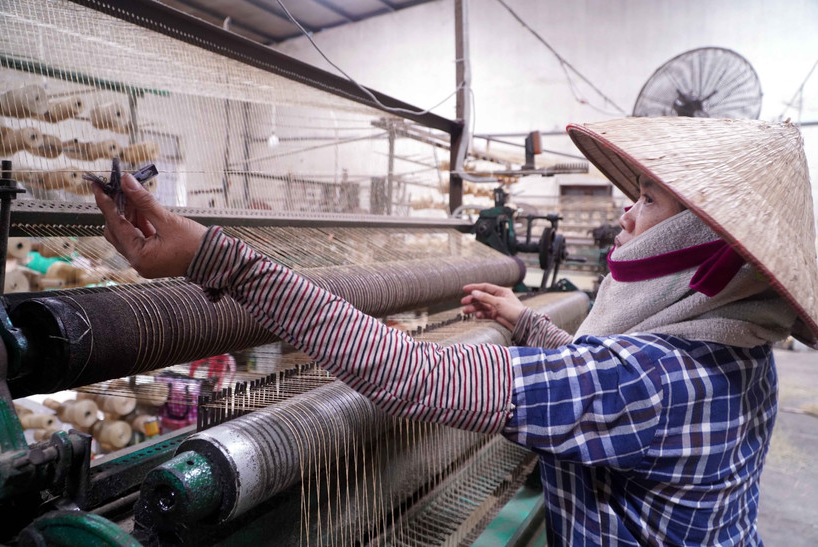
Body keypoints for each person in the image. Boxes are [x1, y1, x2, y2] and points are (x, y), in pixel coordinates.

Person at [94, 117, 818, 546]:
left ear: (701, 243)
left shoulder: (654, 381)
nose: (624, 215)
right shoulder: (733, 346)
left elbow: (419, 376)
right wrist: (526, 321)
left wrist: (221, 260)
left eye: (648, 199)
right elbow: (609, 387)